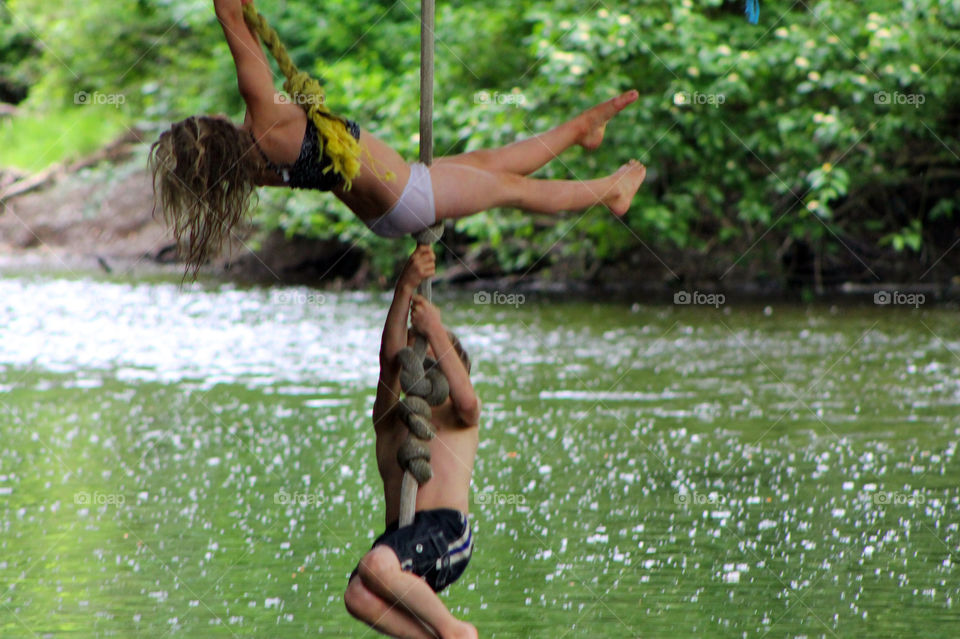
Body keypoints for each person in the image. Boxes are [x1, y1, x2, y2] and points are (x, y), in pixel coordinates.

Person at [150, 0, 647, 273]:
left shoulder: (254, 166)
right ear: (212, 130)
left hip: (396, 200)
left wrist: (245, 14)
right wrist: (238, 12)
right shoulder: (266, 120)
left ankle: (583, 128)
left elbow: (246, 31)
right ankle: (610, 192)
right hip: (409, 196)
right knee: (512, 189)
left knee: (492, 163)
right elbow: (231, 18)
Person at [344, 244, 479, 638]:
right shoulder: (390, 423)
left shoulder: (458, 419)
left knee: (375, 567)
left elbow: (468, 400)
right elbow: (390, 361)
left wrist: (435, 329)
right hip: (401, 541)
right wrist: (403, 288)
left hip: (445, 532)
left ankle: (458, 633)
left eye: (439, 360)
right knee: (358, 596)